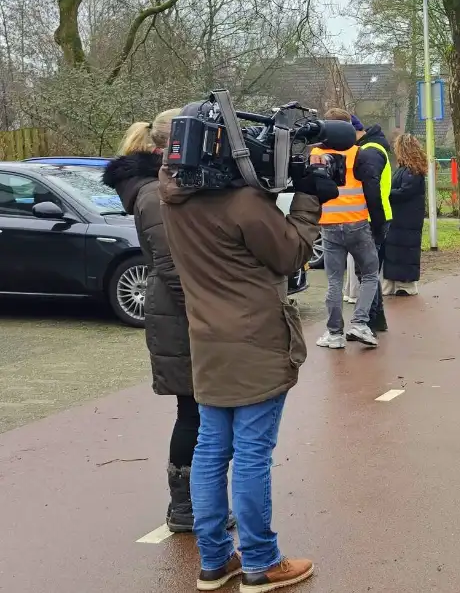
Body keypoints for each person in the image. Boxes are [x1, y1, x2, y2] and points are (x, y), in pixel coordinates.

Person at [157, 100, 336, 591]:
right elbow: (292, 253)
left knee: (211, 450)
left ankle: (216, 560)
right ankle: (261, 561)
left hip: (208, 343)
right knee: (253, 455)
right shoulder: (242, 205)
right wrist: (307, 196)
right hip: (255, 342)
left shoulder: (172, 200)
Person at [102, 111, 235, 534]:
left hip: (181, 310)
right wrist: (206, 311)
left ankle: (194, 503)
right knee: (194, 411)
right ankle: (186, 506)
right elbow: (174, 265)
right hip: (181, 314)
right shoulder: (153, 194)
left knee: (196, 409)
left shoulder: (156, 188)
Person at [313, 108, 385, 349]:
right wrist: (379, 225)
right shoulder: (359, 154)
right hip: (357, 223)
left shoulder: (315, 154)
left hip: (329, 226)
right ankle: (360, 324)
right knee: (370, 274)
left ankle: (334, 333)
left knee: (334, 281)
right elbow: (372, 191)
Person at [350, 113, 394, 331]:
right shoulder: (374, 147)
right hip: (377, 216)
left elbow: (372, 189)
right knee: (369, 272)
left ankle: (370, 320)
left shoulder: (370, 151)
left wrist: (376, 222)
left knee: (366, 273)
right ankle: (377, 319)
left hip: (371, 218)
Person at [383, 133, 428, 295]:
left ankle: (404, 285)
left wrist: (385, 193)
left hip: (404, 220)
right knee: (400, 251)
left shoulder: (411, 171)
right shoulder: (410, 169)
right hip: (405, 219)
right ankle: (399, 284)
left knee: (401, 251)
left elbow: (404, 192)